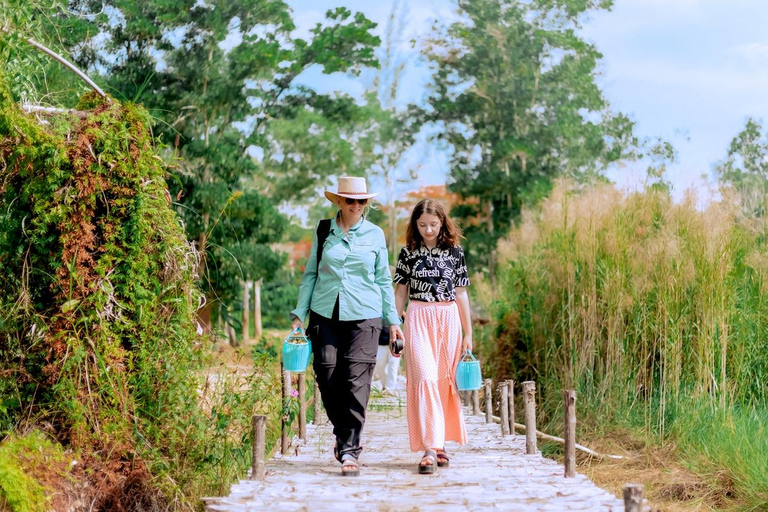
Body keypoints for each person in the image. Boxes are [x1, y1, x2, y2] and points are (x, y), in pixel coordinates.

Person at [290, 176, 404, 477]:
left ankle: (350, 448)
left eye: (361, 201)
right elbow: (311, 275)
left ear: (367, 203)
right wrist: (299, 316)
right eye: (350, 200)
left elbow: (382, 280)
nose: (356, 205)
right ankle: (343, 434)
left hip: (365, 314)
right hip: (325, 312)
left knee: (356, 381)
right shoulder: (323, 229)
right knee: (326, 375)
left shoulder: (375, 234)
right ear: (339, 201)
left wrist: (393, 321)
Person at [392, 198, 472, 474]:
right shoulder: (408, 253)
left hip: (448, 318)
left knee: (443, 381)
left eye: (433, 224)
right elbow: (400, 291)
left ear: (442, 223)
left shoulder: (455, 252)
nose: (428, 230)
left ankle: (439, 446)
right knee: (424, 378)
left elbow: (461, 293)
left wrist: (468, 332)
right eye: (423, 224)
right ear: (415, 224)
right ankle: (428, 447)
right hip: (417, 316)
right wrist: (395, 323)